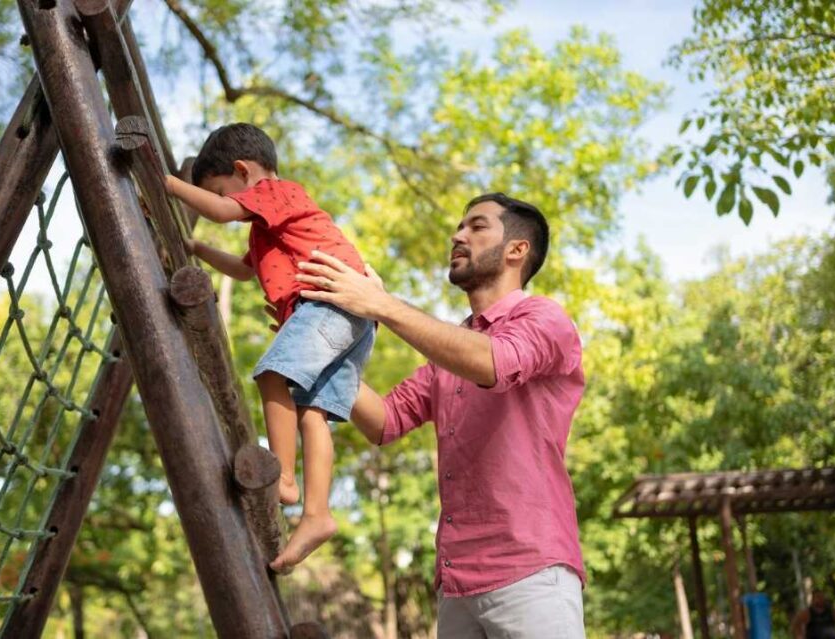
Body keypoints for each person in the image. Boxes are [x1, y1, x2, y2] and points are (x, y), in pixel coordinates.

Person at [295, 193, 587, 638]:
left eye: (477, 225)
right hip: (455, 583)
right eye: (459, 226)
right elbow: (385, 420)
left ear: (516, 249)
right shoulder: (448, 355)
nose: (458, 235)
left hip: (531, 574)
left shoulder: (544, 318)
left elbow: (495, 362)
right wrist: (318, 347)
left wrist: (381, 304)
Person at [163, 123, 375, 572]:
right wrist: (195, 247)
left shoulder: (278, 192)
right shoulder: (269, 227)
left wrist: (168, 184)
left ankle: (282, 474)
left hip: (329, 303)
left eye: (224, 190)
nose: (226, 201)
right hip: (350, 316)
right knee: (312, 412)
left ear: (243, 171)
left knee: (272, 373)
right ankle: (317, 514)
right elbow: (243, 272)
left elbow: (222, 212)